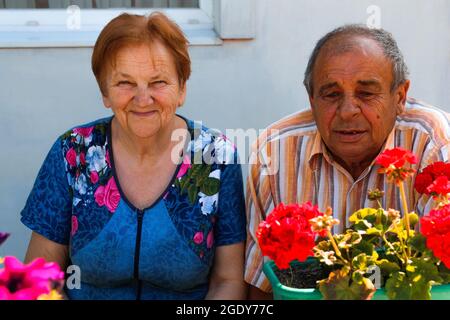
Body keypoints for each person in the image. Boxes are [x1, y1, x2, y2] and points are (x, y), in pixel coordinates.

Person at [21, 12, 247, 300]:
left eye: (158, 82)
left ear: (182, 89)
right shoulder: (72, 153)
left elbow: (227, 281)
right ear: (105, 92)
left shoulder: (216, 158)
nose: (143, 99)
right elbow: (41, 276)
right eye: (125, 83)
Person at [244, 24, 450, 299]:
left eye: (366, 94)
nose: (348, 111)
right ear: (312, 98)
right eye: (331, 94)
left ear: (400, 97)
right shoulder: (275, 151)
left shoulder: (434, 144)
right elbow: (261, 286)